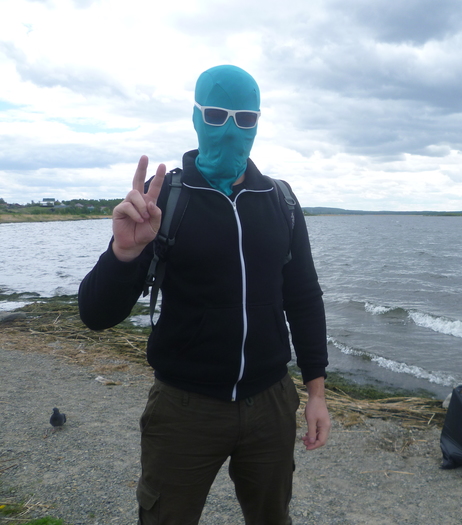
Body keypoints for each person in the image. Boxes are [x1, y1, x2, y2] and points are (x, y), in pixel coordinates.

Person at [79, 65, 330, 525]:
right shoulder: (164, 199)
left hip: (271, 403)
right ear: (196, 117)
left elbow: (304, 298)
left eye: (245, 119)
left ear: (258, 122)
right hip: (183, 408)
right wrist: (123, 253)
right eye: (216, 115)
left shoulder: (282, 201)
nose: (230, 130)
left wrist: (317, 392)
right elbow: (95, 314)